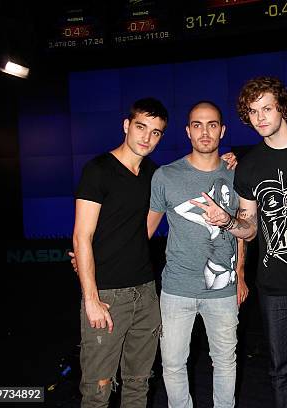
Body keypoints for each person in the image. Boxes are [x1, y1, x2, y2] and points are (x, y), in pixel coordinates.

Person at [190, 77, 287, 408]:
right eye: (252, 111)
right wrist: (227, 220)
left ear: (282, 108)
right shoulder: (249, 167)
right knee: (279, 372)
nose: (260, 117)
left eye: (266, 108)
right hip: (274, 287)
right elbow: (250, 229)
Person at [147, 101, 248, 408]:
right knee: (173, 364)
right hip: (177, 289)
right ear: (188, 131)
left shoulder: (238, 175)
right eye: (198, 125)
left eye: (212, 124)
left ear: (222, 130)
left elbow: (245, 229)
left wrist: (241, 275)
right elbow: (143, 232)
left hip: (224, 289)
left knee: (225, 362)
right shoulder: (165, 176)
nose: (205, 132)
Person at [72, 97, 168, 408]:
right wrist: (91, 297)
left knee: (138, 384)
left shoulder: (155, 174)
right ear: (127, 125)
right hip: (107, 296)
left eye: (155, 132)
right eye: (141, 127)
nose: (147, 137)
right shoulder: (98, 170)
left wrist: (227, 162)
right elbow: (81, 236)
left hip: (146, 293)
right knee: (98, 389)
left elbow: (145, 232)